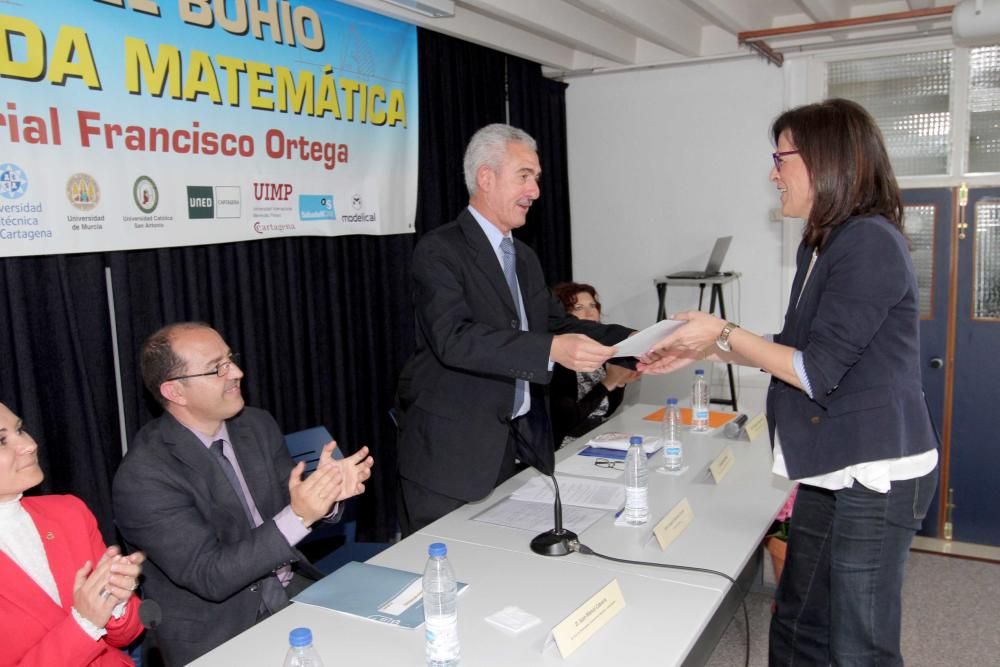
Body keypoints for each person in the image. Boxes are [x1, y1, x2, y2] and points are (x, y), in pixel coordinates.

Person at [640, 98, 939, 665]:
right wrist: (705, 345)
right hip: (832, 461)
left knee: (859, 645)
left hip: (876, 470)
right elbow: (790, 348)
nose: (772, 174)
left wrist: (722, 330)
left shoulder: (871, 241)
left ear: (828, 161)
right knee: (799, 617)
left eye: (781, 158)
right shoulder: (819, 242)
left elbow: (815, 370)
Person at [395, 123, 634, 536]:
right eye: (524, 176)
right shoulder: (439, 250)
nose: (535, 191)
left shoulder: (522, 256)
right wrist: (550, 350)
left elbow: (556, 322)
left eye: (536, 179)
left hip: (512, 447)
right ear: (485, 177)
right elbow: (454, 338)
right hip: (449, 460)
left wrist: (639, 341)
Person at [112, 323, 374, 666]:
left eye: (230, 359)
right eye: (217, 368)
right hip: (216, 631)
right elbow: (212, 575)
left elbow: (288, 506)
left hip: (290, 591)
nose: (236, 372)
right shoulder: (143, 476)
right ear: (176, 392)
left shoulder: (255, 425)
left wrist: (325, 494)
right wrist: (300, 515)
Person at [0, 401, 145, 667]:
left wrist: (115, 601)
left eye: (20, 430)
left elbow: (127, 633)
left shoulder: (68, 512)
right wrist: (85, 623)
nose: (30, 444)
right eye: (1, 441)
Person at [549, 283, 640, 446]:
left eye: (593, 306)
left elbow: (606, 410)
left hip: (596, 436)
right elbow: (566, 422)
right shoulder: (560, 358)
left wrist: (620, 382)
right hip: (563, 445)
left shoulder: (602, 350)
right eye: (579, 307)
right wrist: (609, 382)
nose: (590, 313)